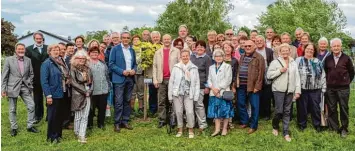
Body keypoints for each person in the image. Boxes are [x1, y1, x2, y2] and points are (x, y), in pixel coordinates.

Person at [2, 43, 39, 137]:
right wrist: (3, 89)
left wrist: (29, 82)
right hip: (12, 87)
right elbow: (4, 76)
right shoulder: (8, 60)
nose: (21, 51)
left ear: (24, 50)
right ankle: (14, 128)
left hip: (25, 87)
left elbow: (31, 73)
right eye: (19, 49)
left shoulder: (28, 60)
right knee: (12, 109)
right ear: (15, 50)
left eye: (22, 49)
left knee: (31, 105)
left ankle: (30, 126)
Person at [267, 43, 301, 142]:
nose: (285, 52)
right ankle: (275, 126)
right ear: (279, 52)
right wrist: (280, 71)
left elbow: (297, 77)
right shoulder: (275, 62)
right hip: (278, 90)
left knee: (287, 112)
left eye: (287, 50)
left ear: (290, 52)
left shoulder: (293, 62)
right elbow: (269, 75)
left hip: (290, 91)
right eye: (283, 50)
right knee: (279, 111)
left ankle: (286, 132)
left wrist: (297, 90)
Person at [324, 38, 355, 138]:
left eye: (338, 46)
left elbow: (351, 72)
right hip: (331, 89)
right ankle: (334, 127)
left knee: (343, 108)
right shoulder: (328, 59)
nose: (336, 48)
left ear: (341, 47)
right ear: (331, 47)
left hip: (343, 89)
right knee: (332, 108)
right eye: (334, 46)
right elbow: (325, 71)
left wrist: (346, 82)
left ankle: (344, 128)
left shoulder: (346, 58)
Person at [168, 49, 200, 138]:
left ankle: (190, 129)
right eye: (183, 56)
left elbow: (197, 82)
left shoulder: (194, 68)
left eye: (187, 56)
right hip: (177, 93)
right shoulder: (176, 67)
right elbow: (171, 82)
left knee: (189, 112)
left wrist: (196, 96)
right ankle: (180, 129)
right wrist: (170, 95)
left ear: (189, 56)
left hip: (189, 93)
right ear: (180, 57)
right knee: (178, 111)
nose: (185, 57)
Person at [109, 32, 137, 132]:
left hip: (130, 78)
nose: (125, 39)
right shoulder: (115, 49)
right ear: (121, 39)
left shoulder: (132, 50)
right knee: (119, 102)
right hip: (119, 78)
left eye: (127, 38)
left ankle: (125, 121)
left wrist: (134, 69)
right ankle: (117, 123)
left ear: (130, 39)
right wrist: (122, 71)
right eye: (124, 38)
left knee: (127, 100)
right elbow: (111, 64)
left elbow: (135, 64)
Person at [295, 43, 326, 132]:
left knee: (315, 107)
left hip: (315, 89)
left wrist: (324, 87)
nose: (309, 50)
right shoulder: (298, 60)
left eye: (312, 49)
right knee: (302, 108)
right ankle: (302, 124)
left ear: (314, 51)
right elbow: (294, 74)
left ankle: (317, 124)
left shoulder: (318, 62)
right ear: (304, 49)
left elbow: (322, 75)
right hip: (302, 88)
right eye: (308, 48)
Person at [236, 40, 265, 134]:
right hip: (241, 85)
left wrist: (257, 86)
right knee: (240, 103)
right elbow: (239, 69)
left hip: (253, 86)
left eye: (249, 46)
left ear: (254, 47)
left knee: (254, 106)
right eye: (246, 46)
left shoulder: (259, 57)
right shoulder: (242, 56)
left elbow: (261, 73)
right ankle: (245, 121)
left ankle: (253, 126)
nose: (247, 47)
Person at [40, 44, 67, 143]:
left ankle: (58, 134)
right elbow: (44, 81)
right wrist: (48, 95)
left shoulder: (59, 62)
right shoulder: (46, 63)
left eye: (57, 50)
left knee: (59, 115)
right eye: (54, 50)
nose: (56, 51)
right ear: (49, 52)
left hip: (61, 93)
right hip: (53, 94)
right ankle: (52, 137)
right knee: (53, 116)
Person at [153, 34, 180, 128]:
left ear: (171, 40)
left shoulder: (176, 51)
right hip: (161, 80)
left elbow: (180, 65)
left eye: (168, 39)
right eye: (165, 39)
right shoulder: (158, 52)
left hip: (173, 79)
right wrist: (155, 80)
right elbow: (155, 66)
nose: (167, 41)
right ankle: (162, 119)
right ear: (162, 40)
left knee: (173, 100)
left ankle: (172, 119)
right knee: (161, 100)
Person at [207, 49, 233, 136]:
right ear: (214, 58)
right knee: (216, 111)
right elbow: (209, 80)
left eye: (220, 56)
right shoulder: (211, 67)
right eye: (216, 56)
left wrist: (218, 89)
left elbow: (228, 80)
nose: (218, 58)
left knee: (225, 111)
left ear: (223, 57)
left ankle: (224, 129)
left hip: (223, 92)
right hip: (213, 92)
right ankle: (217, 129)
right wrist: (212, 88)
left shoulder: (227, 66)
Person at [25, 32, 49, 123]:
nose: (39, 40)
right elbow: (27, 64)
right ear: (34, 39)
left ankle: (49, 115)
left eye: (40, 39)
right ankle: (38, 116)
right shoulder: (29, 49)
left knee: (49, 97)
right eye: (37, 39)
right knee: (37, 98)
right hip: (35, 77)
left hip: (47, 77)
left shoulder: (48, 48)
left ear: (43, 39)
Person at [70, 50, 93, 143]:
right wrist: (84, 91)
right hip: (78, 94)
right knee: (78, 115)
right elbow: (73, 83)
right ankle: (77, 132)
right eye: (80, 58)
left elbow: (92, 81)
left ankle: (81, 134)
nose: (82, 60)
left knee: (85, 115)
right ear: (75, 59)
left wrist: (90, 91)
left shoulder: (88, 69)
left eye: (83, 58)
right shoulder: (73, 69)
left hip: (88, 93)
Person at [190, 40, 212, 133]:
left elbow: (208, 73)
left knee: (199, 105)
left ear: (204, 48)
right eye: (198, 46)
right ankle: (193, 122)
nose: (199, 48)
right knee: (190, 105)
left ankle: (202, 124)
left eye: (202, 46)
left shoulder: (207, 58)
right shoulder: (191, 57)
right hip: (191, 85)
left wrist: (207, 86)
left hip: (201, 85)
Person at [88, 47, 110, 129]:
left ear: (98, 54)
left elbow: (107, 75)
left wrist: (108, 86)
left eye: (96, 52)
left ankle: (101, 123)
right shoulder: (87, 63)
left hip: (103, 89)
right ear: (89, 53)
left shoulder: (102, 63)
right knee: (91, 109)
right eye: (92, 52)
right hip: (92, 90)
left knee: (102, 108)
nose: (94, 54)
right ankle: (89, 124)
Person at [255, 35, 274, 120]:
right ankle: (260, 113)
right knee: (258, 94)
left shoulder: (269, 51)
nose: (259, 42)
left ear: (264, 42)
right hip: (256, 74)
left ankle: (267, 113)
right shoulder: (253, 51)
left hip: (266, 74)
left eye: (260, 41)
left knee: (267, 95)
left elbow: (272, 63)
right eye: (257, 41)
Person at [222, 41, 239, 129]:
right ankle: (220, 121)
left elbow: (236, 74)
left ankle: (229, 121)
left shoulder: (234, 61)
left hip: (230, 85)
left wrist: (234, 86)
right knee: (221, 103)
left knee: (229, 103)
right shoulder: (219, 59)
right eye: (225, 47)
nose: (227, 49)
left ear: (232, 49)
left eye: (229, 47)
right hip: (220, 85)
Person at [148, 31, 162, 115]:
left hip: (161, 74)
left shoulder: (163, 46)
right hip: (150, 74)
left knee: (161, 93)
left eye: (157, 37)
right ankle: (153, 110)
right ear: (151, 38)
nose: (156, 38)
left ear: (159, 38)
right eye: (154, 37)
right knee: (152, 92)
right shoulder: (148, 47)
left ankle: (160, 110)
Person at [130, 35, 144, 114]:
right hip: (132, 73)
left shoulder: (143, 49)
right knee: (133, 92)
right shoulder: (130, 49)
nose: (136, 41)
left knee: (141, 91)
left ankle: (141, 108)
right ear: (132, 41)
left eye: (137, 39)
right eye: (134, 39)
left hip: (141, 73)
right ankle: (131, 108)